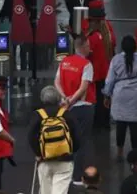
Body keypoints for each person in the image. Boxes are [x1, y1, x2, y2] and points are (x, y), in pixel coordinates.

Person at [54, 34, 95, 186]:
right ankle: (77, 177)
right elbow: (83, 87)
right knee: (81, 142)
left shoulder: (64, 61)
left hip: (66, 108)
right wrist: (71, 101)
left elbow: (56, 81)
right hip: (82, 108)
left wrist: (64, 98)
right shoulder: (86, 64)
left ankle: (64, 174)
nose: (90, 48)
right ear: (82, 47)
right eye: (88, 46)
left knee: (67, 140)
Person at [103, 35, 137, 158]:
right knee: (135, 125)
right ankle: (135, 152)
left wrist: (107, 95)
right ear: (135, 46)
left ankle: (120, 152)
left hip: (120, 95)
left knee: (121, 124)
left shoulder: (116, 60)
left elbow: (110, 80)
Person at [27, 86, 80, 194]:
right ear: (58, 99)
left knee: (45, 191)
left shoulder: (38, 115)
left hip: (44, 160)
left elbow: (31, 136)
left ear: (42, 99)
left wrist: (38, 153)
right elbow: (77, 136)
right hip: (64, 160)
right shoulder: (66, 114)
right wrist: (70, 151)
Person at [86, 7, 113, 129]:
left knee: (96, 99)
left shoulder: (92, 37)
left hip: (95, 73)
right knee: (105, 99)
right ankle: (105, 122)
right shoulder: (106, 35)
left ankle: (98, 123)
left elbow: (86, 53)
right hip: (105, 71)